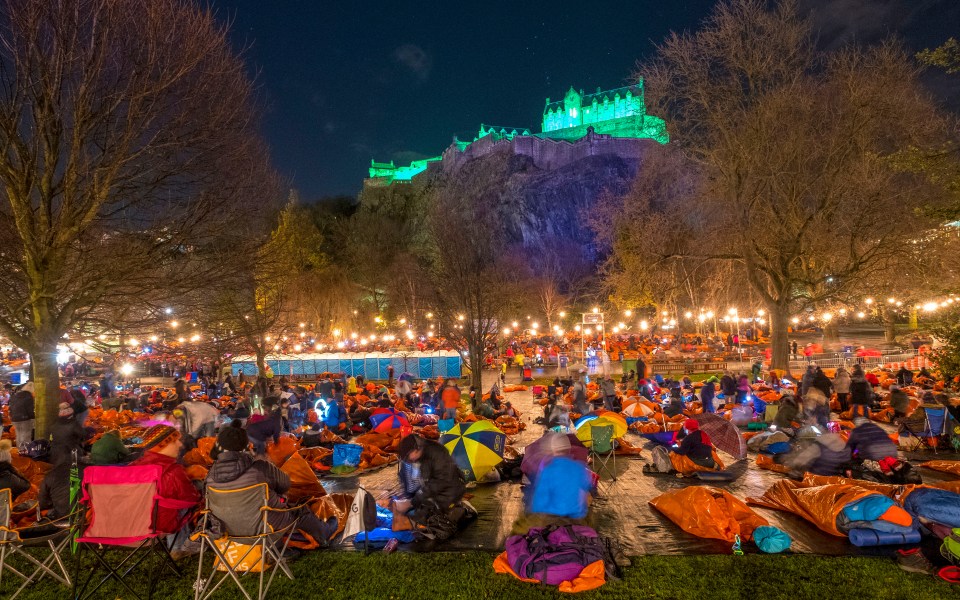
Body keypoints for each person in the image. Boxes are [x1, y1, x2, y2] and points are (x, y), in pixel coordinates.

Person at [206, 421, 337, 545]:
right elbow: (285, 484)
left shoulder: (210, 476)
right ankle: (324, 532)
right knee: (300, 511)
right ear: (246, 445)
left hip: (227, 531)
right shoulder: (260, 467)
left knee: (270, 509)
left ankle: (279, 550)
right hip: (264, 529)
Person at [129, 425, 200, 534]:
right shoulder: (173, 471)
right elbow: (191, 499)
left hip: (131, 523)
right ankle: (179, 547)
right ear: (162, 445)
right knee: (183, 504)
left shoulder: (133, 467)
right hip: (157, 526)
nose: (180, 444)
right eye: (175, 441)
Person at [397, 434, 466, 521]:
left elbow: (441, 481)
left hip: (449, 491)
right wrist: (409, 500)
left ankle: (455, 510)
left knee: (428, 519)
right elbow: (407, 480)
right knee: (412, 514)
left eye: (408, 456)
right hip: (430, 492)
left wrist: (416, 499)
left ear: (416, 449)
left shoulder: (437, 453)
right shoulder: (414, 459)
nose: (409, 459)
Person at [528, 433, 594, 519]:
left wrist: (534, 512)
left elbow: (540, 500)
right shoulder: (579, 467)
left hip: (553, 517)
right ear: (569, 449)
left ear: (552, 451)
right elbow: (587, 488)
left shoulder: (548, 471)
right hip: (577, 516)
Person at [51, 400, 86, 464]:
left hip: (55, 453)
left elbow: (51, 438)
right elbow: (83, 434)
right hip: (69, 452)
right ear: (71, 415)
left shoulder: (54, 424)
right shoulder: (74, 424)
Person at [9, 382, 35, 450]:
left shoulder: (15, 395)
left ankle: (19, 450)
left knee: (18, 435)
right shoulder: (28, 396)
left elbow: (11, 407)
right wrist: (33, 417)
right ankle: (25, 451)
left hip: (15, 419)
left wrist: (12, 416)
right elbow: (30, 409)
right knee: (26, 435)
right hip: (25, 419)